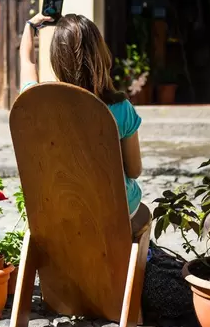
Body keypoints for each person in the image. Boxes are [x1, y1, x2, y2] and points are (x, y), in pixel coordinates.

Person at [19, 13, 143, 218]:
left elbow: (27, 63)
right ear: (100, 53)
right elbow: (134, 170)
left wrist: (30, 27)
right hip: (114, 215)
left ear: (56, 58)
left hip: (58, 212)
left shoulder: (36, 103)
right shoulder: (121, 109)